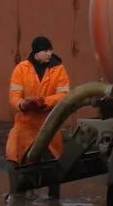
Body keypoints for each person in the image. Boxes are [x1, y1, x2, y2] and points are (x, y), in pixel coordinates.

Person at [5, 36, 71, 165]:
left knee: (53, 166)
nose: (49, 53)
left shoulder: (59, 70)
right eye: (45, 50)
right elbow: (14, 95)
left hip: (49, 125)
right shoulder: (21, 69)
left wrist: (44, 102)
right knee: (14, 157)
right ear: (36, 52)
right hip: (25, 125)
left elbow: (64, 95)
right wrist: (23, 104)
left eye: (50, 50)